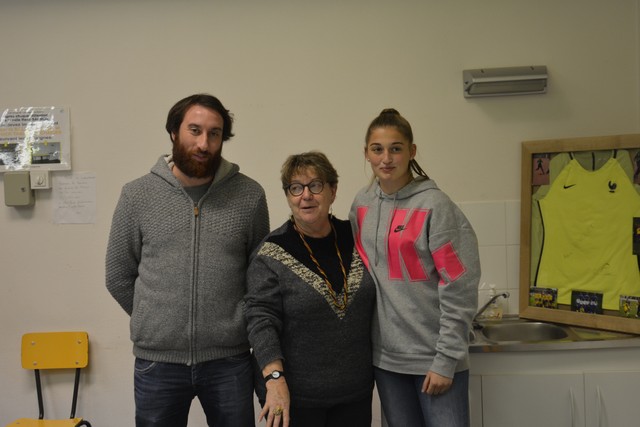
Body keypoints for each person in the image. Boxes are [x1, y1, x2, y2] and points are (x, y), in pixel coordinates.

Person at [105, 93, 269, 427]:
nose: (204, 143)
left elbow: (260, 278)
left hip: (229, 360)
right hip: (158, 364)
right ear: (173, 132)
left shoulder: (249, 196)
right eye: (194, 130)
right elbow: (118, 275)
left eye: (214, 133)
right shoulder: (137, 195)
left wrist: (236, 322)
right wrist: (156, 319)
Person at [350, 109, 481, 427]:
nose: (386, 158)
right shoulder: (362, 204)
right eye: (377, 149)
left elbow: (459, 285)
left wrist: (446, 359)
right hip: (387, 361)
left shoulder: (435, 206)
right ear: (366, 153)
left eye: (395, 148)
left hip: (434, 358)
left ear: (412, 151)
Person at [244, 151, 376, 427]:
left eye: (315, 185)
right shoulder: (270, 254)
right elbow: (261, 320)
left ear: (332, 191)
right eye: (296, 188)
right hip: (293, 397)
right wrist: (274, 379)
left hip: (355, 392)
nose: (306, 195)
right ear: (288, 195)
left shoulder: (358, 237)